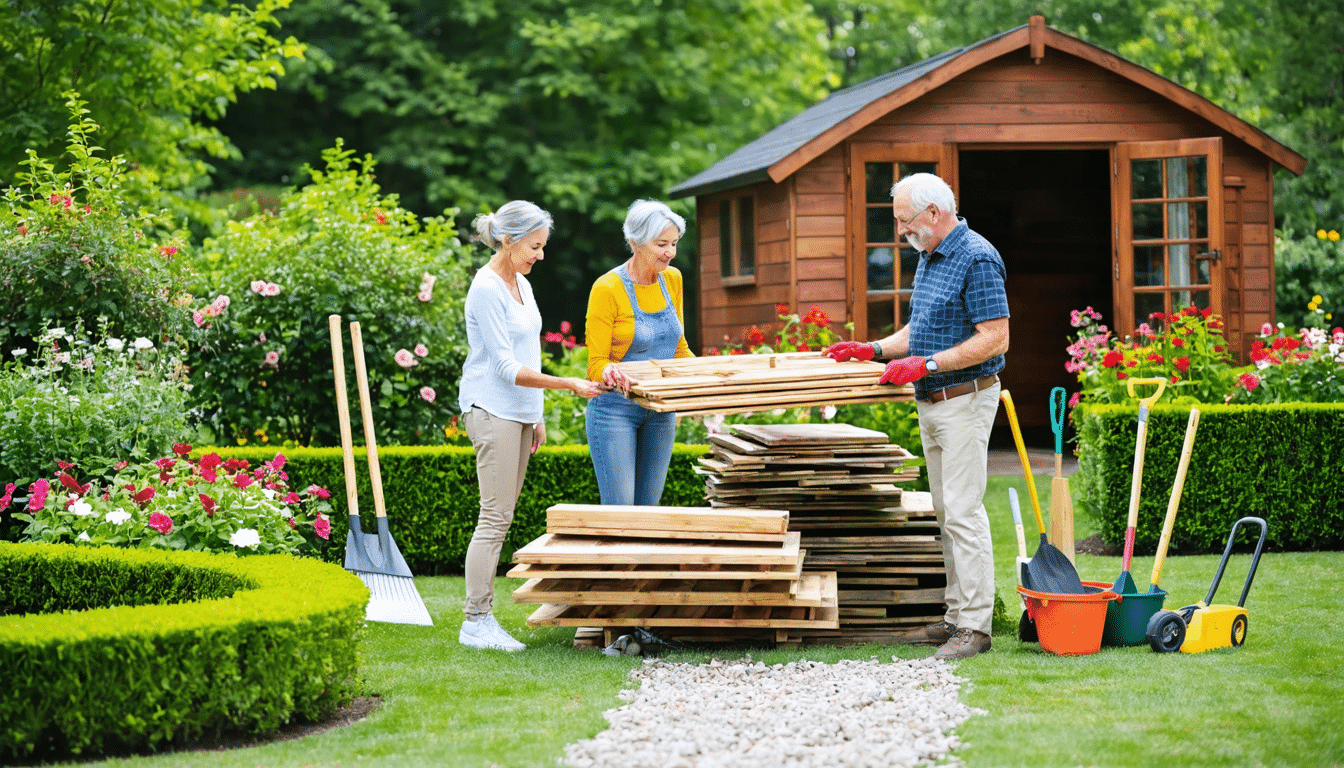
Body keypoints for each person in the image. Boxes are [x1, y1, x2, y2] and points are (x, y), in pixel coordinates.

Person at [824, 173, 1009, 660]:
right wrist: (873, 349)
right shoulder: (930, 256)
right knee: (946, 512)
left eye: (905, 220)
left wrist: (925, 366)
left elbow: (995, 339)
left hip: (965, 399)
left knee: (964, 513)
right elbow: (920, 330)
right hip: (933, 400)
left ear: (933, 212)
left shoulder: (977, 257)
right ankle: (955, 617)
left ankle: (976, 629)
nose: (901, 230)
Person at [457, 200, 604, 651]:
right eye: (534, 247)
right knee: (493, 517)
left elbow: (530, 353)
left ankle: (480, 618)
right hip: (491, 407)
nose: (541, 255)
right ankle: (475, 620)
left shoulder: (521, 282)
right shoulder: (486, 288)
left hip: (519, 412)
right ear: (509, 240)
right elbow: (505, 366)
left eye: (542, 246)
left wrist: (536, 413)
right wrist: (569, 384)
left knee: (501, 515)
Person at [584, 200, 695, 505]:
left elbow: (679, 347)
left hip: (661, 410)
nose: (670, 252)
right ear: (635, 242)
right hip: (615, 411)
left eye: (674, 243)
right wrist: (608, 371)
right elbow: (596, 364)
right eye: (661, 244)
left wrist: (712, 377)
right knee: (621, 515)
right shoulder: (607, 288)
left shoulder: (673, 279)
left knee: (649, 513)